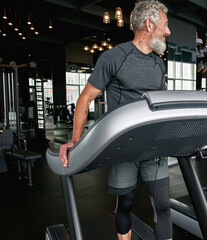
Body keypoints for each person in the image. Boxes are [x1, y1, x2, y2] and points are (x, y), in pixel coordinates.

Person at [59, 1, 172, 239]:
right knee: (126, 203)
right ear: (149, 24)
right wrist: (76, 141)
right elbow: (84, 99)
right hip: (123, 146)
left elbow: (161, 106)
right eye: (165, 25)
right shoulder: (114, 57)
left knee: (162, 205)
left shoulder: (158, 63)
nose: (168, 31)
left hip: (153, 146)